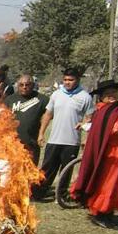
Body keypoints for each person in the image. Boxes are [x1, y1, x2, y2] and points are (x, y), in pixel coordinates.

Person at [70, 80, 118, 228]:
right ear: (101, 97)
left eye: (114, 93)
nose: (112, 96)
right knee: (110, 184)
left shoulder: (108, 109)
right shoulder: (109, 110)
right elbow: (117, 129)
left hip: (115, 151)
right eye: (108, 94)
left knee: (112, 184)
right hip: (113, 154)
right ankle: (101, 213)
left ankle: (106, 212)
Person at [33, 67, 95, 201]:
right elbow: (48, 114)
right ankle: (39, 193)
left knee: (65, 171)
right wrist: (41, 133)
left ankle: (60, 195)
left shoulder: (85, 97)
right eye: (65, 79)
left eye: (71, 80)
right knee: (47, 169)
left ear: (77, 80)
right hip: (54, 139)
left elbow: (89, 118)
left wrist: (86, 137)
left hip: (72, 141)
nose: (67, 82)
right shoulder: (56, 94)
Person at [4, 74, 50, 165]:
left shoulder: (42, 99)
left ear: (32, 85)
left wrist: (41, 133)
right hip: (13, 143)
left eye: (27, 84)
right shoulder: (10, 99)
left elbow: (49, 115)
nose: (24, 87)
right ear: (17, 85)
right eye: (21, 85)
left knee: (30, 172)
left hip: (31, 143)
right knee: (13, 172)